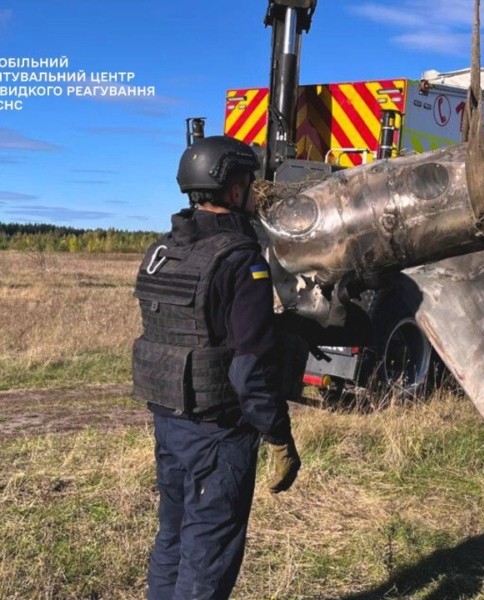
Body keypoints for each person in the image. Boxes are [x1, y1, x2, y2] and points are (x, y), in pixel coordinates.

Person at [132, 135, 301, 600]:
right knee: (208, 555)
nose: (251, 191)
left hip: (170, 423)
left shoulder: (164, 251)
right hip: (219, 433)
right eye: (248, 182)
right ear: (232, 190)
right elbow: (249, 369)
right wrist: (279, 437)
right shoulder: (240, 260)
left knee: (174, 536)